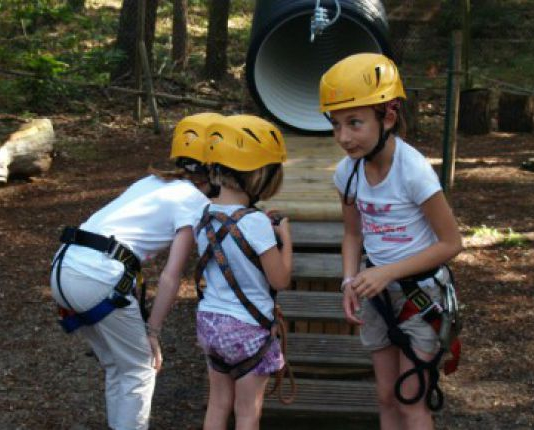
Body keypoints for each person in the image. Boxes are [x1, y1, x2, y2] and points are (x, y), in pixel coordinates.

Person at [49, 112, 222, 430]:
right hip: (96, 276)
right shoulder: (194, 200)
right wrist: (153, 332)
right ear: (216, 168)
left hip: (65, 266)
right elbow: (172, 276)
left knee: (120, 365)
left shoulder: (153, 181)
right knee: (140, 368)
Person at [318, 53, 464, 429]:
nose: (343, 137)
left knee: (411, 399)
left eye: (354, 123)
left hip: (420, 295)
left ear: (388, 116)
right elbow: (352, 233)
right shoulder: (347, 173)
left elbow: (451, 243)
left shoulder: (413, 171)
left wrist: (387, 273)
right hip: (376, 292)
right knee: (385, 396)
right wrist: (350, 279)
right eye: (336, 125)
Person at [193, 114, 293, 430]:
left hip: (210, 324)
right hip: (248, 331)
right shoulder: (257, 223)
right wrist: (286, 239)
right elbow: (280, 280)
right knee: (247, 412)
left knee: (218, 404)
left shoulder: (203, 216)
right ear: (260, 174)